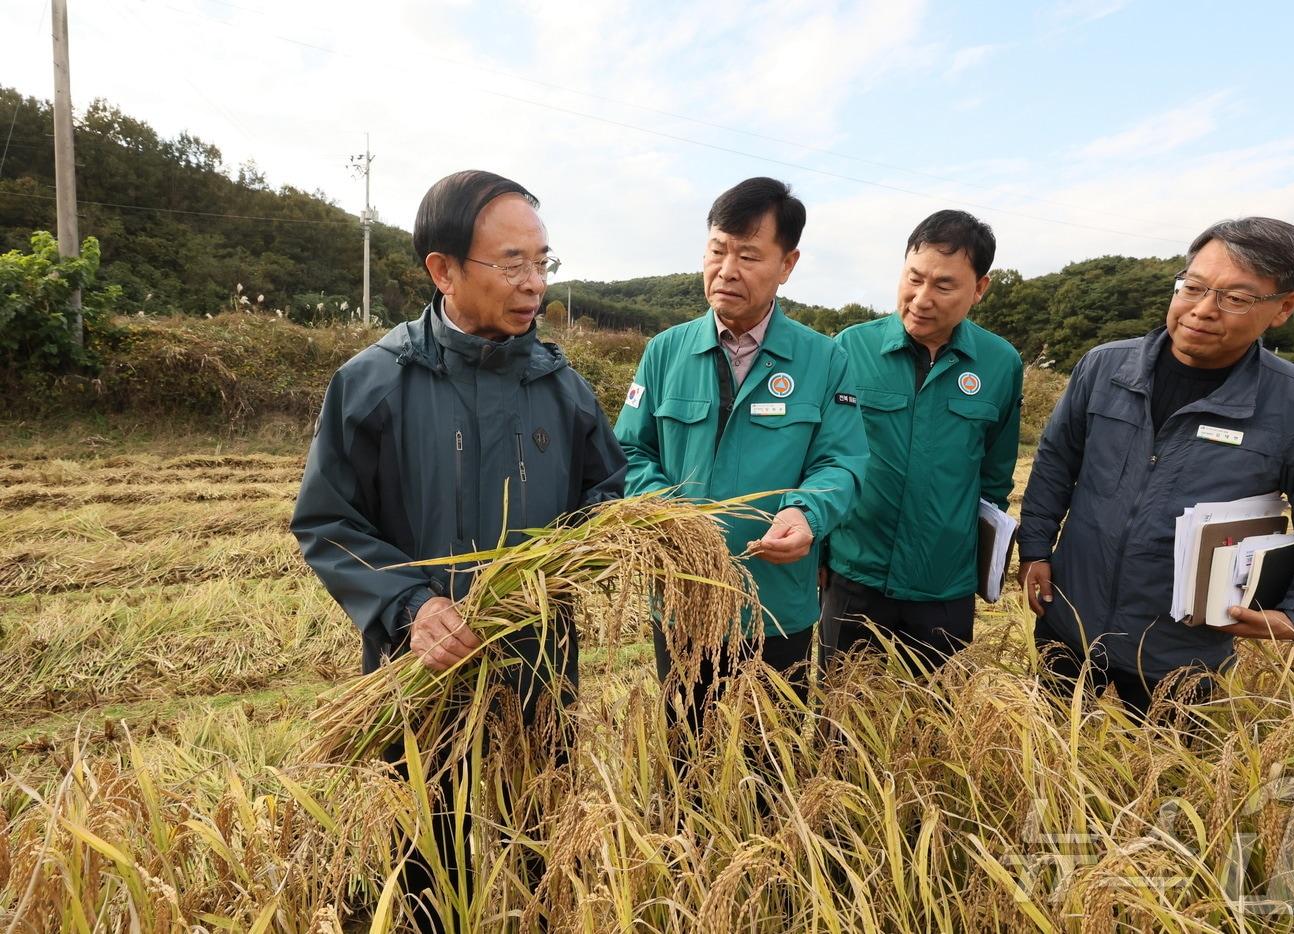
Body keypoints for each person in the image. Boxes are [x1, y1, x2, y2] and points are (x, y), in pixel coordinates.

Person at [290, 170, 626, 929]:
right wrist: (410, 606)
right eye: (511, 263)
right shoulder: (375, 382)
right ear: (442, 270)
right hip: (418, 677)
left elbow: (607, 494)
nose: (533, 283)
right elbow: (329, 521)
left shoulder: (563, 387)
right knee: (417, 864)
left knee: (539, 854)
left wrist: (579, 555)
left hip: (537, 672)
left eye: (543, 262)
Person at [1017, 217, 1294, 720]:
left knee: (1158, 778)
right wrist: (1036, 548)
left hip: (1182, 650)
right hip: (1069, 619)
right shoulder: (1105, 368)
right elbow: (1056, 462)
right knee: (1045, 750)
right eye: (1192, 286)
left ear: (1284, 307)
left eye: (1235, 298)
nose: (1201, 309)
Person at [613, 176, 868, 737]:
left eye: (748, 255)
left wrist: (806, 514)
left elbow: (842, 463)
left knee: (768, 764)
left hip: (777, 608)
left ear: (787, 264)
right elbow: (629, 451)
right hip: (684, 601)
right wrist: (670, 516)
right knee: (685, 756)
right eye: (717, 250)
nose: (726, 268)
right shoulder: (665, 351)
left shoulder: (824, 359)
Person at [821, 210, 1021, 675]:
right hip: (855, 573)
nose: (921, 299)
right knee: (840, 724)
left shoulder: (999, 363)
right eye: (914, 278)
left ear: (979, 289)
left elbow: (994, 475)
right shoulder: (850, 349)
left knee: (931, 725)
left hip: (943, 586)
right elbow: (824, 457)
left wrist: (977, 563)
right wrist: (822, 553)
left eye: (944, 286)